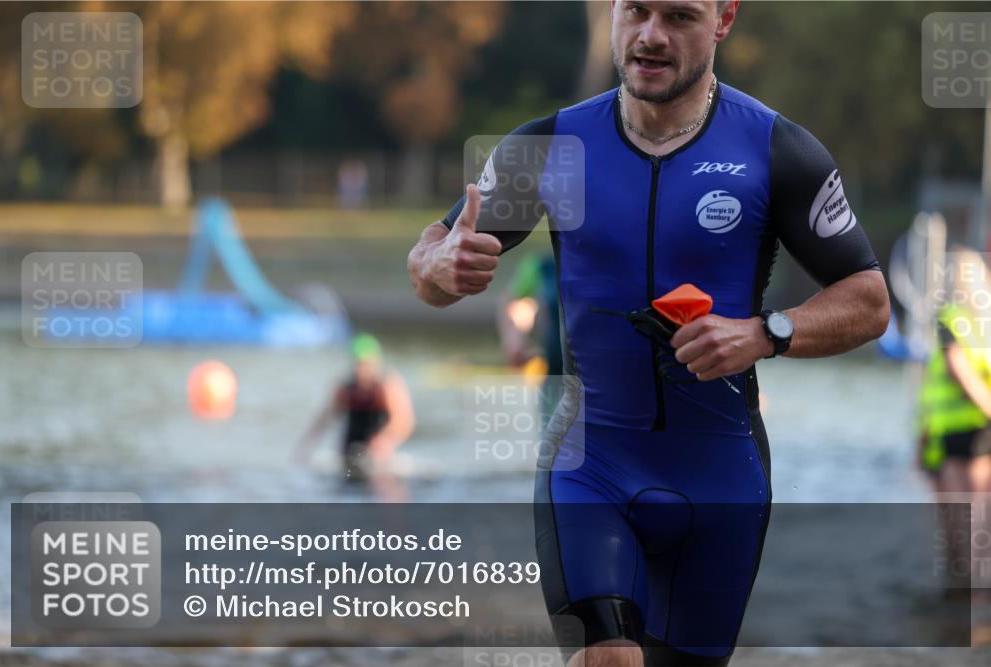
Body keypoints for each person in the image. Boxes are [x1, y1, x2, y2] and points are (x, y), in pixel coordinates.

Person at [407, 2, 889, 665]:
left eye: (680, 16)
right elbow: (431, 263)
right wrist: (435, 266)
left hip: (721, 475)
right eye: (635, 10)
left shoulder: (776, 149)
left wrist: (766, 332)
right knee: (608, 655)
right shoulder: (552, 147)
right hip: (592, 464)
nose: (651, 35)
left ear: (724, 19)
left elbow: (869, 300)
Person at [918, 248, 991, 591]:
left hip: (960, 434)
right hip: (969, 431)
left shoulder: (950, 318)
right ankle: (964, 597)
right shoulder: (980, 325)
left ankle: (963, 597)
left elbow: (957, 370)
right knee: (972, 524)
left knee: (962, 525)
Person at [294, 333, 415, 482]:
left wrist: (386, 441)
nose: (361, 369)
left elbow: (404, 421)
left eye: (365, 364)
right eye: (358, 363)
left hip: (377, 452)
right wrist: (305, 448)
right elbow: (323, 420)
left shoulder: (388, 385)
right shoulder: (345, 388)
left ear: (376, 361)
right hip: (349, 450)